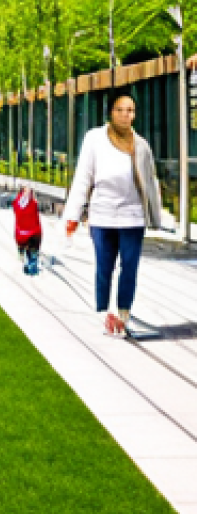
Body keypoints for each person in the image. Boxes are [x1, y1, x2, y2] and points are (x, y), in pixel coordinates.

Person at [64, 88, 163, 337]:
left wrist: (156, 216)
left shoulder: (141, 145)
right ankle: (104, 313)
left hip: (133, 217)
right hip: (102, 215)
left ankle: (123, 313)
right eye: (120, 110)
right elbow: (83, 178)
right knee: (104, 267)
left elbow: (151, 183)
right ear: (110, 112)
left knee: (129, 267)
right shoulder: (94, 139)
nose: (125, 115)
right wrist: (73, 216)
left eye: (130, 110)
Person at [13, 186, 43, 276]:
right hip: (31, 233)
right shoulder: (33, 203)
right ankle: (31, 266)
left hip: (24, 234)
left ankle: (28, 263)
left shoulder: (17, 203)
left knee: (29, 250)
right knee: (32, 251)